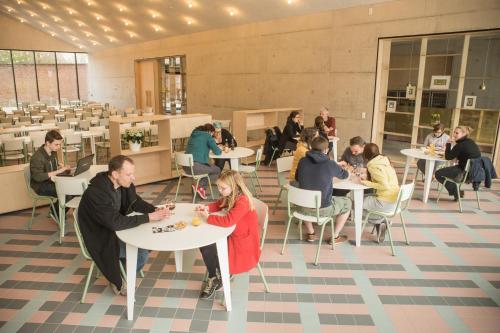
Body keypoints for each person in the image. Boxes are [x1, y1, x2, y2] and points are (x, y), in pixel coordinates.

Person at [78, 155, 171, 295]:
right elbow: (115, 222)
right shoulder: (96, 193)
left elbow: (135, 202)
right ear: (115, 174)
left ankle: (122, 266)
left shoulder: (122, 184)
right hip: (100, 237)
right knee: (141, 253)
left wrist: (154, 210)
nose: (133, 178)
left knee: (148, 239)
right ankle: (119, 278)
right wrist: (149, 217)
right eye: (129, 174)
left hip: (112, 229)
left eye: (133, 173)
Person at [195, 170, 260, 299]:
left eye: (223, 188)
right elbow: (220, 203)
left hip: (243, 243)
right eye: (218, 186)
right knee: (205, 243)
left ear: (234, 186)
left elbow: (228, 221)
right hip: (234, 234)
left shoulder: (242, 201)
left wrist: (208, 217)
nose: (219, 190)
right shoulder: (233, 195)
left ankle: (217, 276)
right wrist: (207, 208)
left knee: (208, 245)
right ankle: (217, 274)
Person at [295, 136, 352, 244]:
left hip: (301, 207)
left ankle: (311, 233)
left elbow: (297, 178)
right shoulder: (330, 164)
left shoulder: (302, 161)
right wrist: (348, 170)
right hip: (322, 209)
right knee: (348, 203)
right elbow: (345, 176)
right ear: (326, 150)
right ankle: (335, 236)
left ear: (311, 147)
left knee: (307, 197)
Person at [356, 143, 399, 243]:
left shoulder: (373, 166)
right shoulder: (384, 161)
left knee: (355, 204)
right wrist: (368, 180)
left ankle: (380, 221)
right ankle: (381, 222)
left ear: (366, 155)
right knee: (365, 199)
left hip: (385, 202)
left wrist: (365, 182)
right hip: (394, 202)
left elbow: (385, 186)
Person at [30, 130, 71, 218]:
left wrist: (60, 168)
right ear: (48, 143)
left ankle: (55, 211)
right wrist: (58, 171)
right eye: (56, 144)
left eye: (60, 144)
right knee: (68, 192)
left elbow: (51, 169)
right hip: (40, 185)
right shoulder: (37, 157)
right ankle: (57, 213)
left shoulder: (52, 152)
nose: (59, 147)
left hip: (51, 181)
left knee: (73, 189)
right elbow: (37, 176)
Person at [435, 126, 481, 201]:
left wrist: (448, 143)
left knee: (438, 173)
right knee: (451, 170)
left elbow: (448, 157)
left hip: (464, 173)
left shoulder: (460, 145)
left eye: (457, 133)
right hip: (475, 172)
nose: (454, 135)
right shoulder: (471, 142)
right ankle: (457, 193)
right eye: (454, 132)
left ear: (463, 134)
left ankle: (457, 192)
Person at [185, 123, 222, 199]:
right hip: (195, 167)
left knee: (208, 168)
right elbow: (218, 152)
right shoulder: (207, 136)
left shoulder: (193, 135)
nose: (212, 135)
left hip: (186, 167)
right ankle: (200, 187)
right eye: (212, 133)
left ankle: (198, 187)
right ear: (209, 132)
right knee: (217, 170)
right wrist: (219, 147)